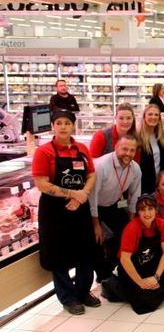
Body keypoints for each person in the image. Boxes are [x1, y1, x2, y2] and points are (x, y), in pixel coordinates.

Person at [32, 109, 97, 315]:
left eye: (67, 123)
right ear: (52, 126)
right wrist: (73, 194)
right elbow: (41, 183)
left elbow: (92, 175)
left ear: (72, 126)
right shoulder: (44, 152)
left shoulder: (82, 149)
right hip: (54, 212)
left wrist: (83, 194)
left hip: (80, 208)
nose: (62, 126)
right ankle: (68, 298)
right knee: (58, 255)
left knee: (86, 250)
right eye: (58, 123)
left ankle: (83, 292)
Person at [104, 195, 164, 314]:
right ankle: (111, 286)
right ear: (138, 212)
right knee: (145, 301)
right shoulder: (132, 228)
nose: (147, 213)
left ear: (156, 210)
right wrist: (141, 283)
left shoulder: (160, 223)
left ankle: (153, 287)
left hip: (150, 262)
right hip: (131, 268)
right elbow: (125, 260)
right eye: (142, 209)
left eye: (150, 209)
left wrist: (156, 277)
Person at [89, 134, 142, 282]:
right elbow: (92, 197)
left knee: (126, 234)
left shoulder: (135, 168)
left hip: (113, 204)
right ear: (116, 147)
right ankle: (103, 276)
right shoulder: (101, 166)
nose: (128, 153)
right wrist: (96, 224)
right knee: (97, 239)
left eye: (132, 150)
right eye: (125, 149)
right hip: (92, 207)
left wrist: (131, 222)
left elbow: (135, 196)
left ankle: (121, 267)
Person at [138, 104, 164, 194]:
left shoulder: (161, 137)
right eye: (150, 114)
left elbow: (161, 158)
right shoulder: (137, 138)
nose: (153, 117)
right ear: (144, 117)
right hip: (143, 188)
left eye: (156, 115)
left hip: (159, 187)